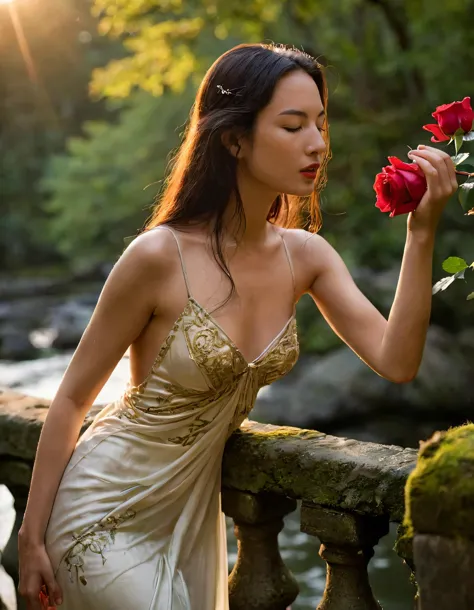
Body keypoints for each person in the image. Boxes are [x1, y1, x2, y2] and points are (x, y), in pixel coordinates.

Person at [17, 42, 457, 610]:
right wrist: (31, 539)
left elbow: (398, 362)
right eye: (293, 125)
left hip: (192, 518)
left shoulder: (308, 256)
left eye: (321, 123)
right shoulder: (158, 256)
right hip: (103, 512)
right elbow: (73, 397)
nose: (318, 143)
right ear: (234, 139)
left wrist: (421, 237)